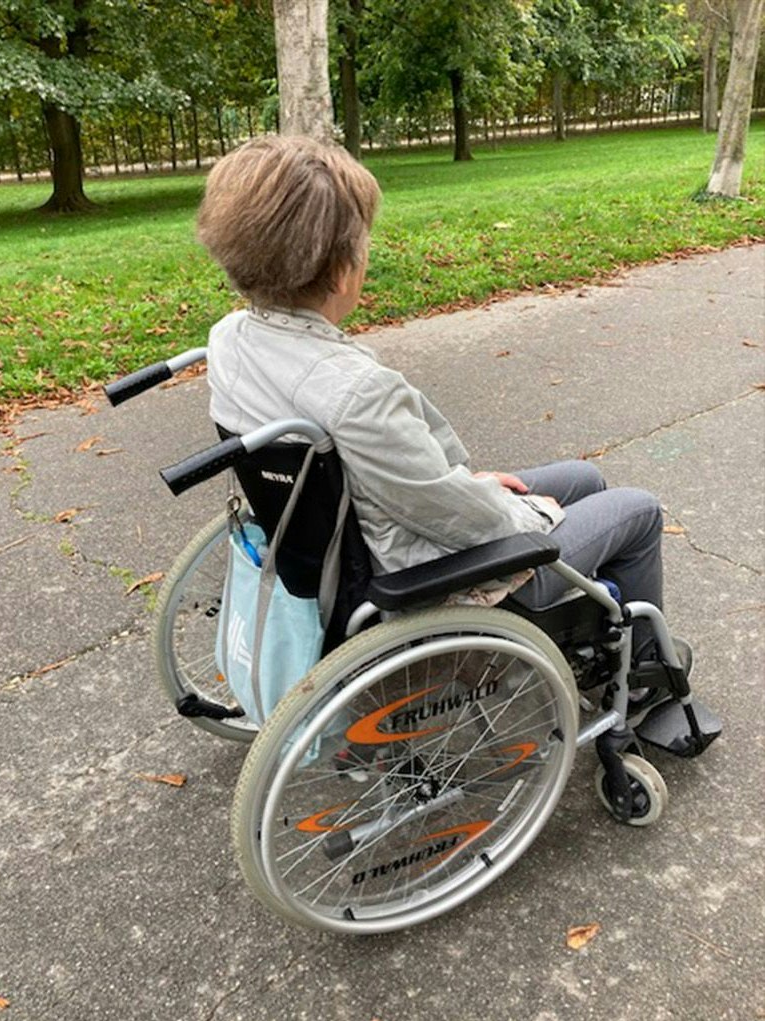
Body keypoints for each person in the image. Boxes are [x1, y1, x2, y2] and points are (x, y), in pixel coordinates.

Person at [193, 135, 693, 731]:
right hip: (416, 575)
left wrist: (476, 484)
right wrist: (530, 512)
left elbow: (421, 488)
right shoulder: (355, 391)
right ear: (341, 267)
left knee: (585, 476)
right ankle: (642, 682)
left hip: (345, 537)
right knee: (635, 510)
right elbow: (456, 517)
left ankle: (576, 636)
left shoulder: (230, 339)